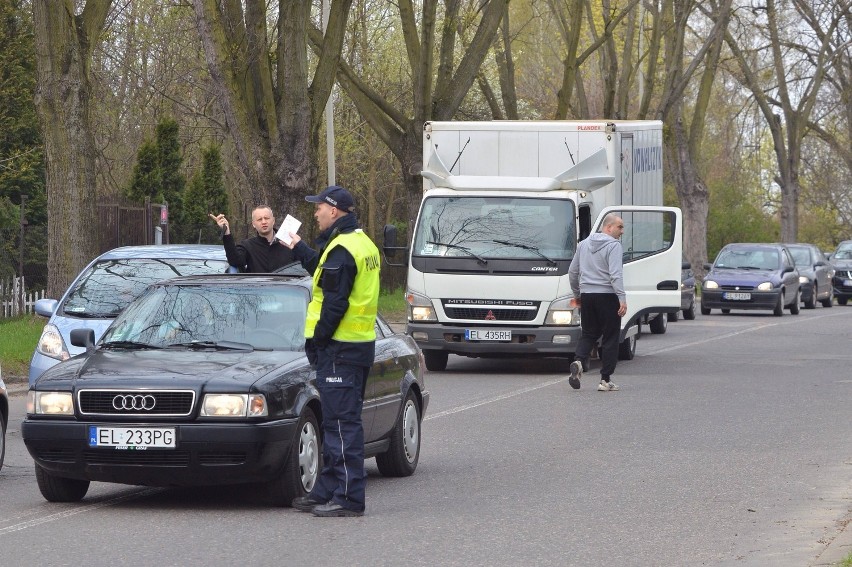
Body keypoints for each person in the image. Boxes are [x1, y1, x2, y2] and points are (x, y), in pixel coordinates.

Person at [284, 185, 381, 517]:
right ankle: (327, 489)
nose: (315, 212)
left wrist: (318, 340)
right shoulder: (359, 243)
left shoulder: (342, 248)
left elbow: (335, 303)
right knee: (335, 423)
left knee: (342, 425)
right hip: (356, 345)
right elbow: (326, 277)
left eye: (319, 207)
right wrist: (299, 248)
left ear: (335, 211)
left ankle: (349, 498)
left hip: (339, 348)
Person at [567, 213, 627, 392]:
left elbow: (572, 272)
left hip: (587, 295)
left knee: (588, 334)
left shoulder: (583, 244)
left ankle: (578, 361)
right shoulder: (614, 246)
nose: (622, 231)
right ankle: (605, 380)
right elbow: (615, 274)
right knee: (610, 337)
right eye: (619, 227)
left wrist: (578, 294)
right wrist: (622, 298)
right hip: (607, 296)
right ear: (608, 227)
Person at [209, 205, 294, 272]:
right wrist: (226, 232)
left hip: (287, 292)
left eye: (266, 218)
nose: (264, 222)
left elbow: (305, 264)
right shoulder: (247, 246)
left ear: (273, 221)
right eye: (259, 219)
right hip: (257, 292)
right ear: (253, 224)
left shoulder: (289, 243)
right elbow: (235, 261)